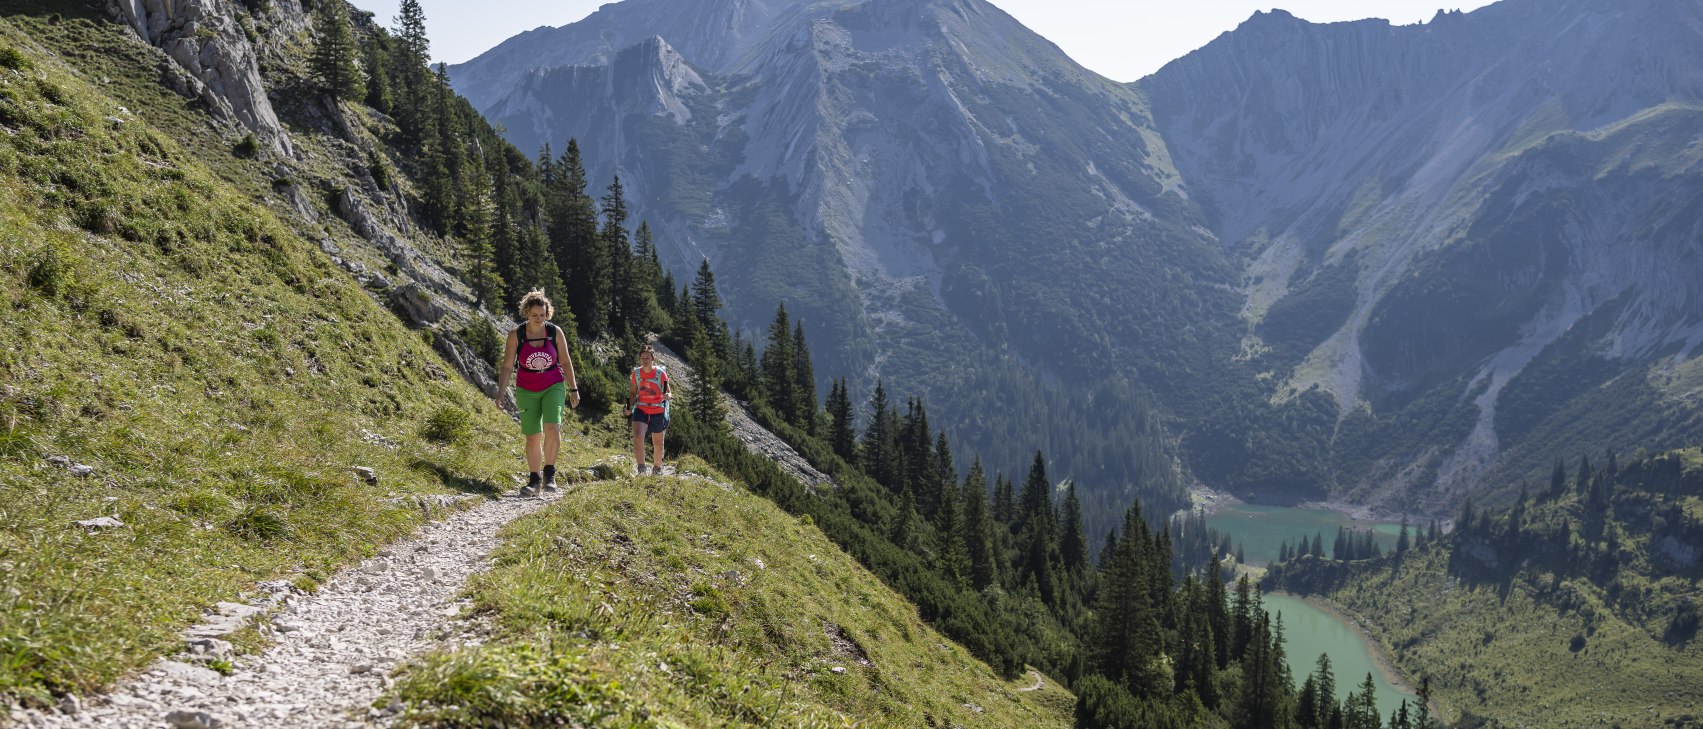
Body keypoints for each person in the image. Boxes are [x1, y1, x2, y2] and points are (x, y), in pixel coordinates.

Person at [495, 290, 579, 496]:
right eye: (534, 315)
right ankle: (534, 480)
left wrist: (574, 388)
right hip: (526, 389)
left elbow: (565, 361)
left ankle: (550, 473)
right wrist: (501, 392)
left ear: (547, 313)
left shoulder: (554, 332)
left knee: (552, 428)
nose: (539, 319)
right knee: (533, 436)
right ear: (527, 312)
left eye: (542, 315)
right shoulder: (516, 335)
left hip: (553, 384)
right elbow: (507, 366)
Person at [628, 344, 670, 475]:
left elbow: (667, 391)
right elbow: (632, 393)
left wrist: (667, 395)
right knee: (638, 437)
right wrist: (628, 406)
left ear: (653, 359)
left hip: (657, 410)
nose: (645, 360)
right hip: (641, 408)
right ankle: (641, 468)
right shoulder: (636, 374)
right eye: (642, 358)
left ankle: (657, 468)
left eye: (647, 358)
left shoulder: (661, 374)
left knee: (657, 443)